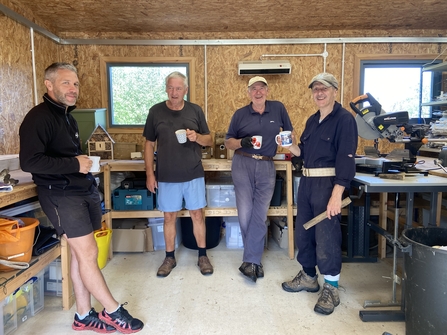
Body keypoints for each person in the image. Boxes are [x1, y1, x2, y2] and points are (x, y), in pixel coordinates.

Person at [19, 62, 144, 334]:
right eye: (66, 83)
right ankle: (112, 310)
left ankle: (83, 316)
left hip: (81, 190)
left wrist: (81, 167)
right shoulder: (38, 117)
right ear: (49, 85)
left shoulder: (68, 117)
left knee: (81, 256)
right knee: (87, 253)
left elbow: (66, 157)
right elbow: (30, 161)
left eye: (75, 84)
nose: (73, 89)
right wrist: (74, 165)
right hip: (61, 195)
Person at [280, 72, 358, 315]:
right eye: (315, 89)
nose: (319, 93)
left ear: (335, 91)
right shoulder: (313, 120)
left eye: (324, 88)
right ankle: (308, 276)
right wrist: (289, 145)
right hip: (307, 183)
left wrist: (337, 194)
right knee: (304, 231)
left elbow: (346, 158)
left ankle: (332, 287)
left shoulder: (344, 120)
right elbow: (302, 152)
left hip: (328, 185)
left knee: (327, 236)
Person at [143, 71, 214, 277]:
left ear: (186, 90)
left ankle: (202, 255)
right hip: (166, 175)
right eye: (171, 88)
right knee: (169, 217)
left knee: (197, 215)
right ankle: (169, 257)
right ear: (166, 88)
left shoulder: (195, 110)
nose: (174, 92)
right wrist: (149, 173)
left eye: (178, 88)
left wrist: (197, 137)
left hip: (193, 173)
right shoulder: (156, 112)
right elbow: (148, 143)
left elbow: (209, 140)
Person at [225, 76, 293, 283]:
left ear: (267, 91)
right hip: (242, 163)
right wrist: (242, 142)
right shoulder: (240, 114)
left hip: (266, 164)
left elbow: (290, 133)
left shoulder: (278, 108)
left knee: (260, 213)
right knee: (245, 214)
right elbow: (228, 142)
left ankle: (250, 261)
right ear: (248, 93)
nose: (258, 92)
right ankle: (254, 260)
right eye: (253, 89)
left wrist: (288, 143)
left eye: (261, 88)